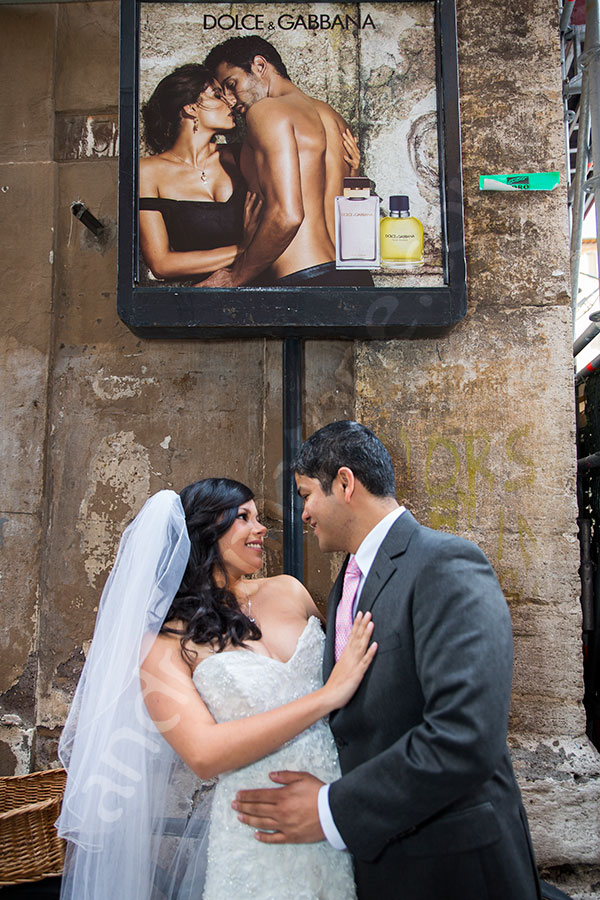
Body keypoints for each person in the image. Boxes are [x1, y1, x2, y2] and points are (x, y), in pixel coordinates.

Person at [232, 422, 543, 900]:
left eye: (305, 494)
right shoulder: (345, 585)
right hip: (381, 866)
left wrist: (330, 810)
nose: (304, 514)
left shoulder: (445, 563)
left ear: (344, 483)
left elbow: (465, 735)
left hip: (453, 869)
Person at [56, 478, 377, 900]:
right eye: (243, 517)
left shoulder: (291, 591)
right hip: (259, 830)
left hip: (346, 808)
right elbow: (204, 753)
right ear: (206, 532)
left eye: (258, 517)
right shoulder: (165, 645)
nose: (261, 528)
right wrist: (326, 697)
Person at [202, 36, 374, 288]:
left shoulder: (266, 112)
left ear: (259, 66)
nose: (228, 99)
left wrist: (235, 276)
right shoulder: (331, 116)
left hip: (304, 283)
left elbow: (288, 215)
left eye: (231, 84)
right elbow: (352, 218)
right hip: (356, 280)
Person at [139, 64, 262, 283]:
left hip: (260, 291)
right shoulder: (148, 172)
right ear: (190, 109)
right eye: (217, 95)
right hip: (200, 302)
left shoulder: (240, 155)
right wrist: (243, 249)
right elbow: (161, 264)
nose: (230, 102)